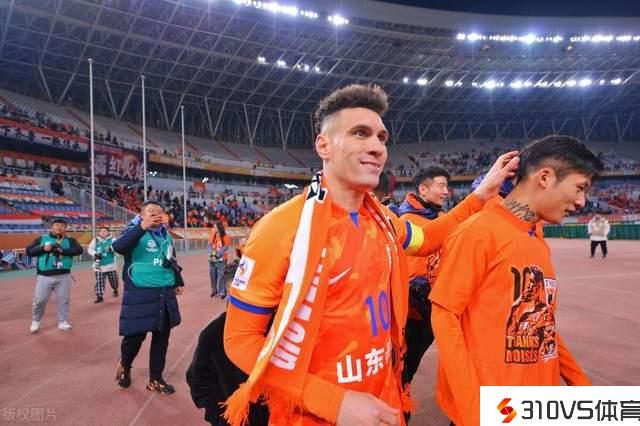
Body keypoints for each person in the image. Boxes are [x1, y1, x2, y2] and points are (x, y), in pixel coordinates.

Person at [221, 84, 519, 426]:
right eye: (360, 133)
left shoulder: (383, 219)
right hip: (312, 416)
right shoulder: (281, 228)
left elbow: (428, 239)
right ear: (323, 145)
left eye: (381, 137)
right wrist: (333, 402)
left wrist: (480, 194)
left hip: (385, 400)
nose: (377, 147)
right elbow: (239, 340)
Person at [430, 135, 602, 426]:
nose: (581, 202)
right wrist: (475, 413)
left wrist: (581, 387)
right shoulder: (479, 232)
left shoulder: (536, 242)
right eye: (579, 188)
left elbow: (542, 325)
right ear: (545, 177)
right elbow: (445, 316)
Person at [112, 201, 184, 395]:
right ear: (142, 214)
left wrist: (177, 281)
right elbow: (118, 247)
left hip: (164, 290)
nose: (156, 214)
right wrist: (142, 227)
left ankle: (155, 379)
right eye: (151, 211)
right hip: (140, 290)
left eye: (159, 212)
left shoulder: (165, 235)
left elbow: (171, 259)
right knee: (135, 336)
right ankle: (125, 364)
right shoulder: (133, 230)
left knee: (162, 337)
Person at [396, 166, 450, 385]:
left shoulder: (442, 217)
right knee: (406, 360)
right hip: (414, 306)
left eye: (447, 186)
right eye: (441, 186)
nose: (446, 192)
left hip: (436, 300)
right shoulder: (406, 219)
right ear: (423, 189)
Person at [25, 217, 83, 334]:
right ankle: (36, 320)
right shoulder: (42, 239)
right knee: (40, 300)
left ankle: (63, 321)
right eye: (57, 225)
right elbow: (29, 251)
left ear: (65, 228)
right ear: (51, 227)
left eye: (62, 225)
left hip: (64, 275)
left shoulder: (70, 240)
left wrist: (62, 251)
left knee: (63, 300)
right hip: (44, 276)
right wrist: (43, 249)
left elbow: (79, 250)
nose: (59, 227)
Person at [87, 226, 119, 303]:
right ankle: (99, 296)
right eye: (101, 231)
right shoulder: (95, 240)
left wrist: (111, 248)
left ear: (108, 232)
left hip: (110, 264)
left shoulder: (113, 240)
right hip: (99, 264)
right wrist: (95, 253)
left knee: (114, 280)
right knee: (100, 281)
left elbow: (118, 247)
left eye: (105, 231)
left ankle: (115, 289)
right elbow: (90, 249)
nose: (103, 233)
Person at [209, 221, 231, 299]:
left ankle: (222, 291)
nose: (213, 228)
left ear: (219, 228)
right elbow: (209, 245)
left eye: (215, 227)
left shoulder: (225, 236)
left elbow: (225, 247)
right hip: (212, 259)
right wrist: (212, 255)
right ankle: (214, 290)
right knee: (212, 274)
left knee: (221, 275)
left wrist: (217, 255)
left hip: (221, 259)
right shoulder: (212, 235)